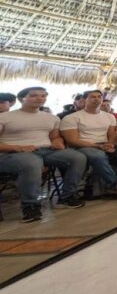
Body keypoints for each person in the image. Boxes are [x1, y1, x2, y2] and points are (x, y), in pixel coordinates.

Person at [0, 87, 87, 221]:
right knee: (32, 163)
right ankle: (30, 206)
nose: (40, 98)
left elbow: (55, 137)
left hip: (46, 151)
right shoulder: (4, 117)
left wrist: (57, 142)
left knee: (77, 157)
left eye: (43, 95)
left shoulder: (52, 118)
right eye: (34, 95)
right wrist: (17, 147)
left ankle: (67, 196)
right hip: (11, 153)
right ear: (21, 99)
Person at [60, 90, 117, 198]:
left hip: (105, 144)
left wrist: (110, 143)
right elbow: (72, 140)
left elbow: (112, 134)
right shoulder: (71, 118)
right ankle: (114, 185)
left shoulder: (109, 116)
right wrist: (98, 146)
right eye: (92, 97)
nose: (97, 99)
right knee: (97, 156)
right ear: (84, 100)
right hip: (83, 146)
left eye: (99, 96)